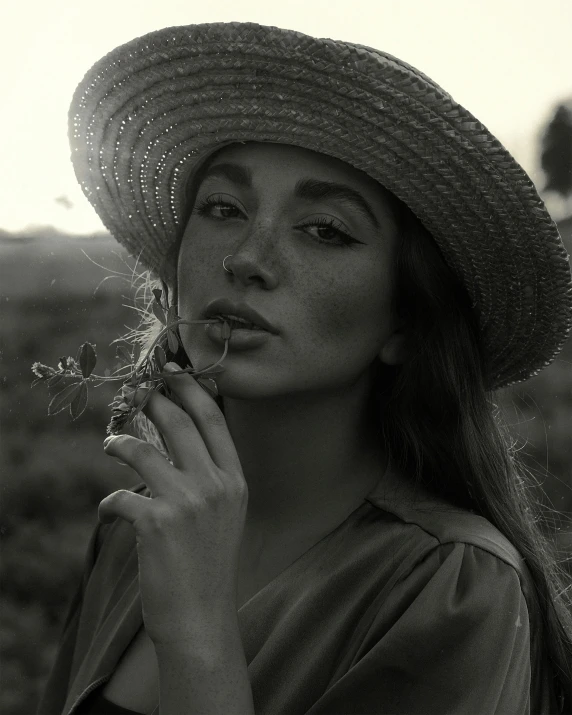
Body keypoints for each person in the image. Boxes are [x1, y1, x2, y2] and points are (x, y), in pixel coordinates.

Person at [37, 22, 572, 715]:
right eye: (224, 208)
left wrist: (198, 631)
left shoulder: (452, 587)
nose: (248, 258)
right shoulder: (140, 527)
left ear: (405, 324)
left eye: (325, 229)